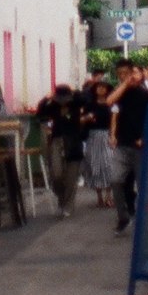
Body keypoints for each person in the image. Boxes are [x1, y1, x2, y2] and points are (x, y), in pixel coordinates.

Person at [109, 58, 148, 234]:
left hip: (140, 146)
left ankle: (145, 220)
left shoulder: (146, 95)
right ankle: (123, 216)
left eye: (127, 74)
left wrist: (145, 137)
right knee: (115, 180)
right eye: (120, 74)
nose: (124, 77)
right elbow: (110, 103)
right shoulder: (119, 94)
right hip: (123, 144)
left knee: (143, 184)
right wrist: (113, 134)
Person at [35, 82, 86, 218]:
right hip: (57, 141)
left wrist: (75, 92)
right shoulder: (53, 106)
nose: (63, 102)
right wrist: (47, 98)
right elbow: (39, 114)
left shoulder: (75, 103)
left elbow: (86, 99)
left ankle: (68, 205)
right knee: (56, 174)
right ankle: (61, 197)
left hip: (74, 142)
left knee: (71, 177)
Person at [80, 78, 115, 208]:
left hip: (107, 135)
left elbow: (115, 120)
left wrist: (113, 135)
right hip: (93, 136)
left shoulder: (111, 103)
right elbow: (81, 120)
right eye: (99, 87)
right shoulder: (90, 104)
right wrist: (87, 118)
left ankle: (108, 195)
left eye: (103, 87)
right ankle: (99, 196)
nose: (101, 89)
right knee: (95, 166)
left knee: (108, 164)